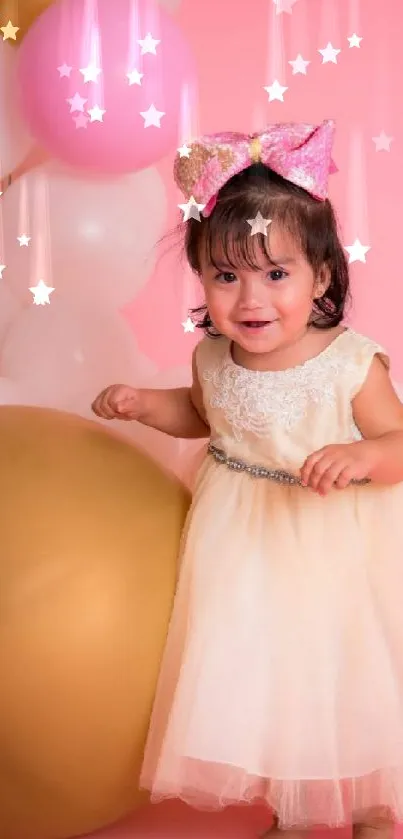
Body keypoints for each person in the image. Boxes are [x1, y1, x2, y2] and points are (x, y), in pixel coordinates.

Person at [91, 120, 403, 839]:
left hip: (332, 545)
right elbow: (203, 415)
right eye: (225, 276)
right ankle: (292, 806)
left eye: (276, 273)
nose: (249, 298)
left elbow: (399, 442)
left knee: (343, 671)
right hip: (243, 545)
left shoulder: (350, 362)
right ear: (200, 277)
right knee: (266, 673)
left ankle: (367, 803)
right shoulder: (212, 360)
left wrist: (361, 455)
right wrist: (146, 405)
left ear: (321, 276)